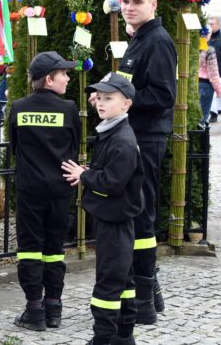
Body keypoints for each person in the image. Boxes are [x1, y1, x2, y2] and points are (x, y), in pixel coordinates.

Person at [62, 74, 144, 345]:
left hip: (115, 218)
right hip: (114, 216)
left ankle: (104, 337)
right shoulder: (112, 130)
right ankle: (123, 334)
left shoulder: (121, 139)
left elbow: (113, 182)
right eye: (99, 97)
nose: (100, 102)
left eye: (109, 98)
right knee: (123, 278)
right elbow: (111, 173)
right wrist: (89, 172)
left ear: (126, 104)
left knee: (109, 280)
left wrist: (84, 175)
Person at [114, 0, 177, 324]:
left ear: (153, 3)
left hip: (147, 139)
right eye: (125, 0)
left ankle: (143, 303)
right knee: (137, 213)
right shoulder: (140, 38)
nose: (129, 7)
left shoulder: (157, 41)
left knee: (141, 216)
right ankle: (150, 293)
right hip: (135, 136)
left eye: (137, 1)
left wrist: (122, 100)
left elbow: (163, 95)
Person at [9, 51, 81, 331]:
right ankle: (54, 308)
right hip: (60, 189)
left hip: (30, 189)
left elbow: (14, 147)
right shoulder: (69, 109)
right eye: (64, 73)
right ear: (49, 79)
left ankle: (34, 310)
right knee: (54, 249)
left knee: (29, 249)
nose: (68, 78)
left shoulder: (18, 107)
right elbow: (74, 147)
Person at [198, 32, 221, 128]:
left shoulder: (191, 49)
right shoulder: (209, 50)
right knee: (202, 119)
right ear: (207, 35)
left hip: (192, 84)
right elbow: (213, 72)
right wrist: (219, 90)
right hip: (206, 85)